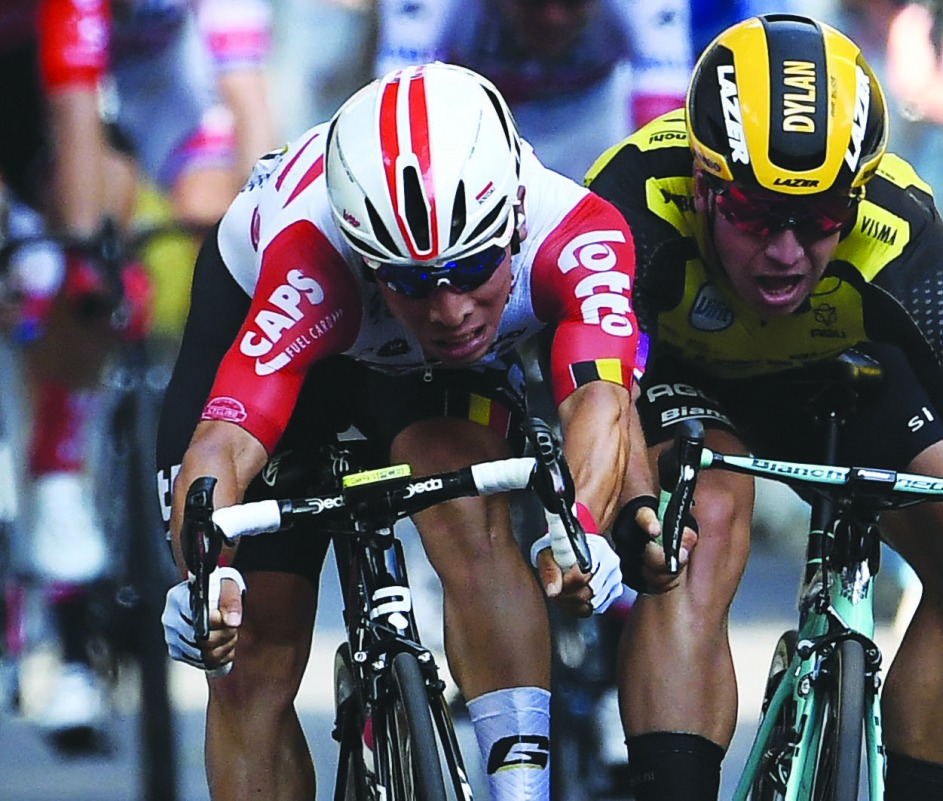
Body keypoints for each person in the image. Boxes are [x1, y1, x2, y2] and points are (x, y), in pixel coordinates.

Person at [583, 13, 943, 801]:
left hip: (838, 376)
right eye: (756, 216)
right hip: (688, 381)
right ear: (701, 185)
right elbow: (606, 399)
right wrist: (632, 514)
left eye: (822, 217)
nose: (787, 251)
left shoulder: (900, 223)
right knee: (704, 517)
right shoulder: (633, 197)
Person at [157, 62, 641, 801]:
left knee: (471, 517)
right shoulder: (312, 258)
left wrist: (579, 527)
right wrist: (204, 571)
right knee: (251, 647)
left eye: (474, 269)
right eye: (413, 281)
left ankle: (521, 789)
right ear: (365, 255)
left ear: (512, 221)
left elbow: (601, 400)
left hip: (419, 374)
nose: (450, 311)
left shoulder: (575, 232)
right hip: (286, 336)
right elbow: (224, 444)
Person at [0, 0, 241, 745]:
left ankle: (68, 495)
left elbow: (243, 100)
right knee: (46, 270)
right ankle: (43, 583)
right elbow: (71, 100)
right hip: (28, 87)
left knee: (92, 255)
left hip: (94, 97)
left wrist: (89, 263)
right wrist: (71, 255)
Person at [374, 0, 692, 181]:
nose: (553, 18)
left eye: (573, 2)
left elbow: (664, 126)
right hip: (478, 115)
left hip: (592, 118)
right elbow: (397, 112)